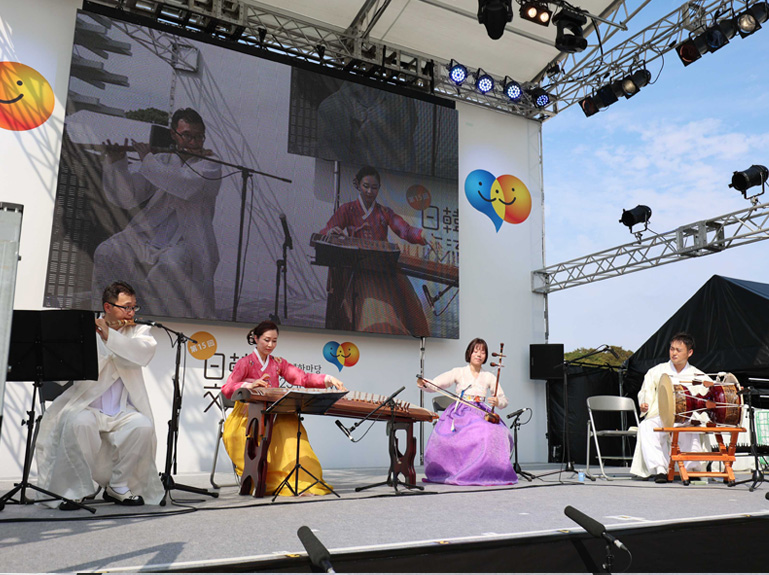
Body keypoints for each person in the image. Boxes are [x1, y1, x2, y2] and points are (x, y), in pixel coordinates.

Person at [35, 281, 164, 509]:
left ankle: (119, 486)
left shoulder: (139, 331)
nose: (131, 313)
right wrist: (100, 334)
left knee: (143, 426)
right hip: (87, 407)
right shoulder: (86, 329)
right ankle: (74, 490)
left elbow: (141, 354)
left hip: (122, 410)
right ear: (108, 306)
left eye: (134, 307)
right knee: (77, 422)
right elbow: (64, 370)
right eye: (126, 307)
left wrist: (110, 337)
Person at [92, 108, 221, 319]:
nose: (194, 142)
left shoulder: (211, 164)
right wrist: (116, 163)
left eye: (199, 137)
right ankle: (111, 317)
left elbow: (185, 185)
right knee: (107, 252)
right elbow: (128, 196)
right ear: (174, 135)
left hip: (186, 240)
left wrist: (148, 160)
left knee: (168, 269)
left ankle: (155, 324)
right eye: (187, 135)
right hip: (148, 235)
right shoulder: (162, 159)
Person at [221, 321, 346, 496]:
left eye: (274, 341)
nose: (270, 345)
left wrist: (328, 379)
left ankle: (300, 480)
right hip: (247, 415)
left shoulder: (278, 363)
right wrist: (248, 385)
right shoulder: (245, 363)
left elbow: (302, 378)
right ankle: (262, 478)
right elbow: (227, 389)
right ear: (256, 338)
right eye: (266, 340)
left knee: (292, 428)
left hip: (273, 412)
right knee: (246, 436)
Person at [319, 165, 429, 336]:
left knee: (407, 301)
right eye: (366, 186)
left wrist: (422, 235)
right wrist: (331, 232)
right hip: (356, 267)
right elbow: (326, 230)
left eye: (374, 187)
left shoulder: (384, 212)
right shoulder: (347, 210)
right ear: (357, 185)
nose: (370, 191)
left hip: (382, 267)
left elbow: (404, 230)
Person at [417, 338, 518, 486]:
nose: (479, 354)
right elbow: (437, 384)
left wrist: (498, 401)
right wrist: (425, 383)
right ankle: (466, 471)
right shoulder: (458, 372)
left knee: (500, 432)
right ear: (469, 353)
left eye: (483, 352)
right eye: (476, 351)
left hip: (481, 411)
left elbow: (503, 399)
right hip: (461, 412)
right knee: (480, 430)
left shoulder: (489, 376)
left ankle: (489, 472)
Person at [630, 332, 711, 483]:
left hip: (686, 417)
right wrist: (644, 403)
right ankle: (660, 469)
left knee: (691, 429)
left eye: (678, 350)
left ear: (690, 352)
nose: (674, 353)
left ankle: (690, 469)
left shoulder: (698, 375)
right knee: (647, 426)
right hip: (662, 415)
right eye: (672, 349)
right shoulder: (657, 371)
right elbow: (646, 390)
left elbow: (712, 392)